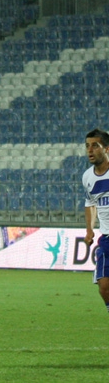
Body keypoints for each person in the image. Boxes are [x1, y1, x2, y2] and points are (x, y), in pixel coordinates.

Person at [82, 128, 109, 314]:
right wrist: (89, 230)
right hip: (107, 238)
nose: (90, 150)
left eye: (95, 146)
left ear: (107, 149)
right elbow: (90, 203)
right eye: (87, 146)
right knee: (104, 286)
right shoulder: (87, 177)